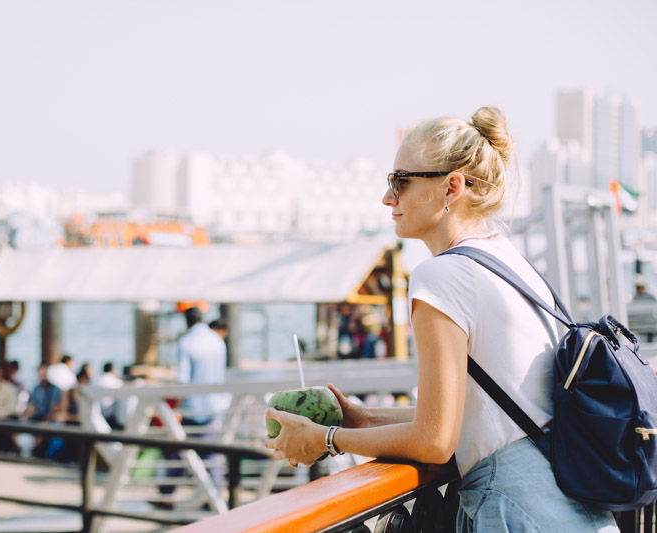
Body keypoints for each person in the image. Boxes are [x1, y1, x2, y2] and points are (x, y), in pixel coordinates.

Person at [265, 107, 618, 532]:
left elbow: (434, 441)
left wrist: (323, 440)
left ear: (452, 187)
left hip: (515, 511)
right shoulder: (507, 260)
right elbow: (480, 417)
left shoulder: (440, 275)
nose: (387, 198)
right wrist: (363, 418)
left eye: (400, 181)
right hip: (569, 506)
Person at [156, 306, 227, 506]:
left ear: (186, 321)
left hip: (192, 407)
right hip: (215, 405)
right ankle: (215, 495)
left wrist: (174, 408)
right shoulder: (217, 341)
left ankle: (166, 493)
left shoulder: (186, 342)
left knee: (181, 450)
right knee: (212, 454)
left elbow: (183, 381)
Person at [94, 362, 125, 429]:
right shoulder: (116, 382)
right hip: (111, 415)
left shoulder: (97, 381)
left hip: (98, 414)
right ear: (112, 370)